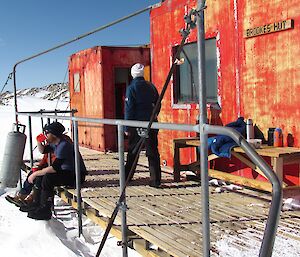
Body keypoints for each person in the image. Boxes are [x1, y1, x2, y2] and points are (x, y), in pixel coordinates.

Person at [26, 121, 87, 220]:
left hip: (76, 176)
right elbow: (43, 151)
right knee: (42, 176)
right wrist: (39, 141)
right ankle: (36, 204)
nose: (45, 135)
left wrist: (35, 173)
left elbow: (54, 168)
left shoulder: (64, 145)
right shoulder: (56, 142)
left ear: (53, 134)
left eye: (47, 133)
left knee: (48, 177)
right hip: (67, 172)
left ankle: (45, 209)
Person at [124, 63, 162, 188]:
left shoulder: (132, 88)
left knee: (133, 151)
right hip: (151, 123)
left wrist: (127, 127)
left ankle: (127, 177)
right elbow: (158, 103)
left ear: (132, 74)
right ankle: (155, 180)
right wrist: (154, 114)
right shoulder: (151, 86)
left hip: (136, 124)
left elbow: (129, 109)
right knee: (152, 151)